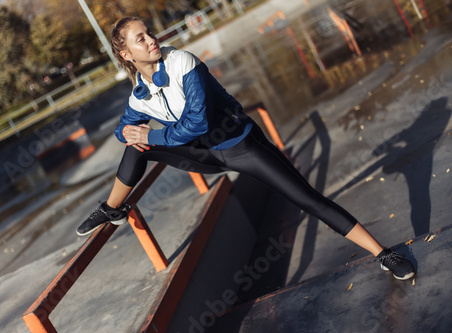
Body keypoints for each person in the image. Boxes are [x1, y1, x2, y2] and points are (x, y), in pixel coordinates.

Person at [76, 17, 416, 281]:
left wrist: (151, 136)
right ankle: (112, 208)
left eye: (149, 33)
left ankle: (383, 253)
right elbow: (123, 131)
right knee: (136, 145)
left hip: (240, 145)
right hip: (206, 155)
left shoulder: (182, 62)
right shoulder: (140, 93)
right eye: (141, 38)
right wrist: (134, 135)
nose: (152, 40)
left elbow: (198, 123)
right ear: (125, 54)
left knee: (306, 199)